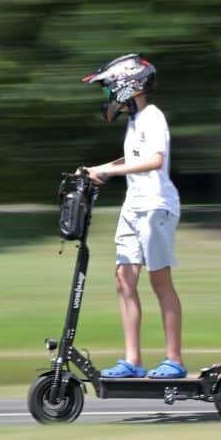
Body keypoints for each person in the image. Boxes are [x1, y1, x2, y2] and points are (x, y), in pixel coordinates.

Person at [82, 54, 185, 379]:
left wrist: (109, 172)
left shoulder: (153, 116)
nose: (108, 96)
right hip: (134, 205)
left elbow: (154, 160)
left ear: (128, 86)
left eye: (109, 89)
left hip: (156, 205)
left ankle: (174, 360)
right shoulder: (134, 122)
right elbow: (133, 157)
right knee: (123, 280)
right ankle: (132, 360)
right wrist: (99, 170)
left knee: (159, 281)